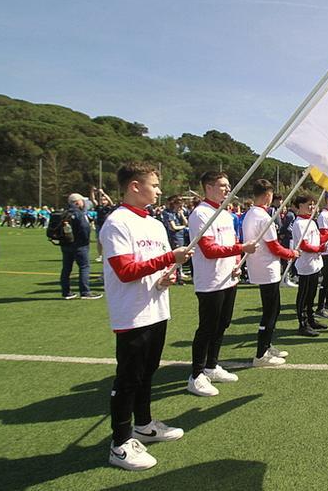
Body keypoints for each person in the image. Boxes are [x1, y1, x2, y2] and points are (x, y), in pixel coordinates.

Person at [101, 162, 192, 471]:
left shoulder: (154, 223)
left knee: (148, 371)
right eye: (154, 184)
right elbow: (125, 271)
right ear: (134, 186)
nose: (159, 190)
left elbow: (160, 266)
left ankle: (143, 424)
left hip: (156, 308)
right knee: (128, 378)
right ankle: (120, 443)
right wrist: (170, 259)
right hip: (132, 313)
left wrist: (169, 273)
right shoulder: (117, 222)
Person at [186, 171, 257, 397]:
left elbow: (232, 242)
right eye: (222, 186)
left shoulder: (226, 214)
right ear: (208, 187)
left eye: (228, 185)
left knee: (223, 324)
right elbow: (208, 250)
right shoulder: (201, 214)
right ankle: (196, 375)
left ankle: (211, 365)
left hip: (229, 278)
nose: (228, 189)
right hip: (210, 281)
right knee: (207, 327)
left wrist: (238, 261)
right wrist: (241, 249)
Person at [242, 179, 299, 367]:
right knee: (270, 311)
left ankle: (266, 346)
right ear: (268, 195)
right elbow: (274, 246)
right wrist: (291, 253)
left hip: (261, 266)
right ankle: (260, 354)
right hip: (267, 268)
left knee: (274, 309)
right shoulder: (263, 216)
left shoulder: (251, 213)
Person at [291, 193, 328, 337]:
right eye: (309, 205)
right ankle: (302, 323)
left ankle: (311, 319)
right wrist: (318, 249)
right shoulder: (299, 223)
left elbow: (320, 239)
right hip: (305, 265)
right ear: (300, 206)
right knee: (304, 295)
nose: (312, 207)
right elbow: (304, 245)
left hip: (315, 264)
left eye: (313, 204)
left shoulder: (311, 222)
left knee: (311, 294)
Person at [60, 193, 102, 300]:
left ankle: (66, 292)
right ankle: (85, 292)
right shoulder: (78, 213)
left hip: (66, 244)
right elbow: (84, 229)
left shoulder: (64, 212)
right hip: (79, 245)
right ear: (78, 202)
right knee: (84, 267)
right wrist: (86, 241)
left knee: (66, 268)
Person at [161, 195, 188, 283]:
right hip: (174, 237)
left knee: (182, 256)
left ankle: (179, 274)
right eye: (179, 205)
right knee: (176, 257)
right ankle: (177, 277)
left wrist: (182, 215)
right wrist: (183, 226)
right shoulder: (168, 213)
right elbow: (173, 227)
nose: (181, 207)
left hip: (181, 237)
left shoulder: (177, 213)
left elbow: (186, 223)